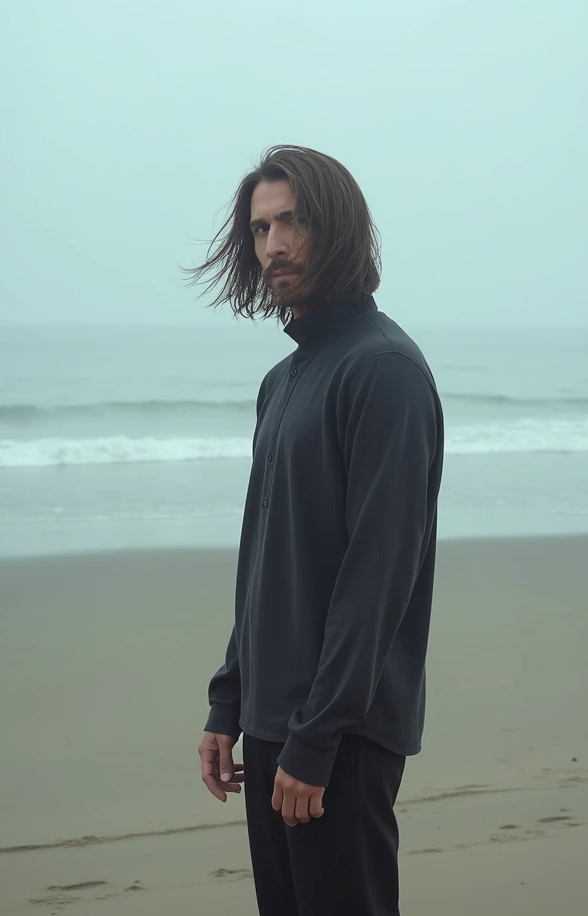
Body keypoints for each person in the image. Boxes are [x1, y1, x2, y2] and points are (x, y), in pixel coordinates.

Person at [189, 145, 444, 916]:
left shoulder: (385, 370)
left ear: (336, 227)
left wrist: (317, 736)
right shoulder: (285, 381)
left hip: (340, 735)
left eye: (292, 222)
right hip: (274, 724)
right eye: (261, 228)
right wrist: (228, 702)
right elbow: (266, 561)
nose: (273, 245)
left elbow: (378, 576)